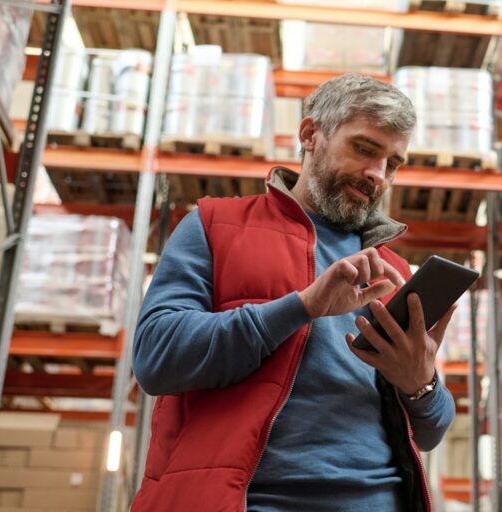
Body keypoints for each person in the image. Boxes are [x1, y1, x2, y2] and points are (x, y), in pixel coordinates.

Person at [130, 74, 456, 512]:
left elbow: (431, 432)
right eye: (364, 149)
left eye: (393, 163)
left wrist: (422, 384)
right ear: (309, 135)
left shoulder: (393, 271)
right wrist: (302, 307)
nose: (377, 174)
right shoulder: (214, 226)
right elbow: (156, 359)